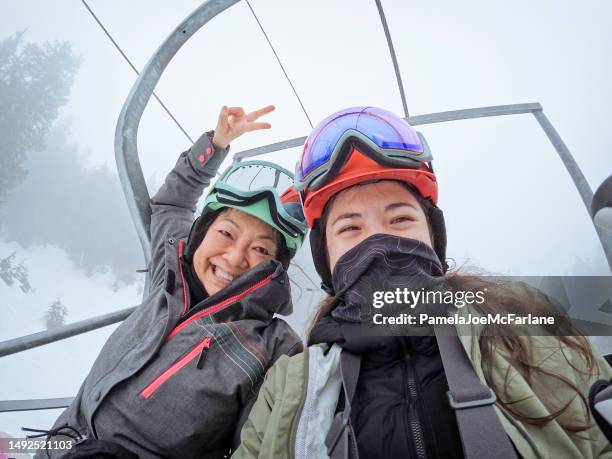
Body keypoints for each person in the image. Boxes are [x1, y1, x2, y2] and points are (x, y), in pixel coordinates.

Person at [232, 106, 612, 458]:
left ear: (433, 236)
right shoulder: (288, 385)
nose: (377, 243)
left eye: (400, 220)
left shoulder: (522, 325)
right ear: (326, 259)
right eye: (350, 228)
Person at [31, 105, 308, 458]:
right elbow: (172, 204)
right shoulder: (169, 272)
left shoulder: (273, 349)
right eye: (226, 232)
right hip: (55, 442)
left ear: (275, 267)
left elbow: (257, 451)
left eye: (259, 249)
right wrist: (215, 145)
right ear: (201, 234)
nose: (235, 257)